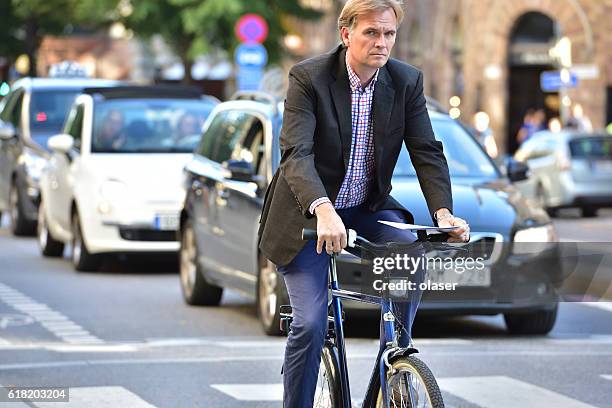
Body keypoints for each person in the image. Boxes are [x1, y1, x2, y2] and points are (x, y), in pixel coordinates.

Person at [257, 1, 469, 407]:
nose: (382, 42)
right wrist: (323, 209)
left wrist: (444, 212)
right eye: (371, 32)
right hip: (307, 212)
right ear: (347, 34)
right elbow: (296, 154)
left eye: (389, 34)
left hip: (366, 206)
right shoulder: (309, 78)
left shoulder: (406, 81)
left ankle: (396, 364)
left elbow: (426, 150)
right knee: (311, 323)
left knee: (411, 253)